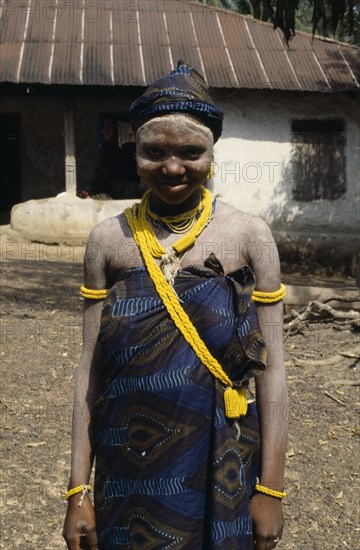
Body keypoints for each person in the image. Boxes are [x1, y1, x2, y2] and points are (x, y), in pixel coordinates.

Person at [63, 61, 288, 550]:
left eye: (191, 152)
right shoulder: (108, 241)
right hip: (127, 470)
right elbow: (90, 372)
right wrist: (78, 489)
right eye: (154, 152)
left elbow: (272, 373)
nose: (172, 167)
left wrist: (271, 490)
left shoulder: (249, 237)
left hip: (220, 467)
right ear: (134, 152)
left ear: (212, 153)